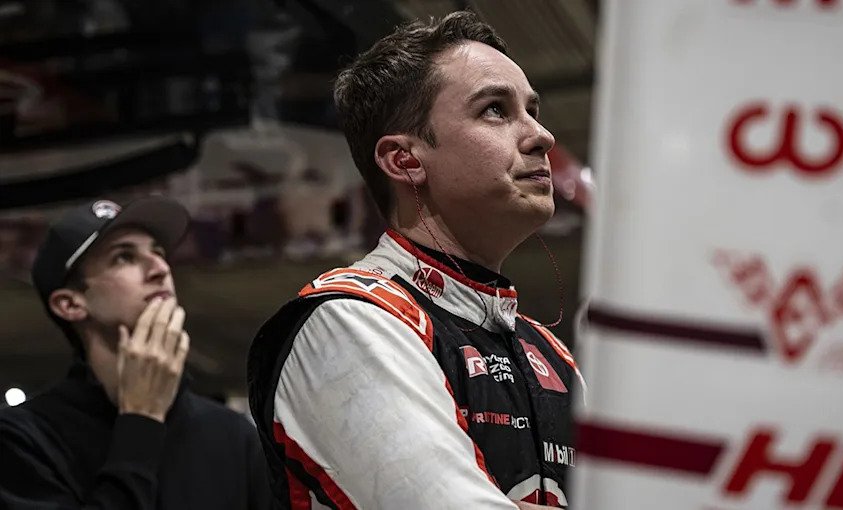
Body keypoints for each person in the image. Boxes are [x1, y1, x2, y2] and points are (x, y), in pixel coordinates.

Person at [247, 11, 584, 509]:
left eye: (533, 110)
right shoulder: (348, 320)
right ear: (405, 160)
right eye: (495, 110)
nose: (541, 135)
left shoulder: (551, 352)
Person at [0, 196, 273, 509]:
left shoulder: (232, 436)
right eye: (123, 257)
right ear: (71, 303)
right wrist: (140, 421)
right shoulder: (23, 440)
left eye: (157, 252)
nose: (160, 268)